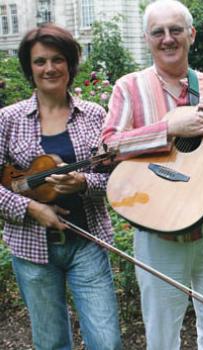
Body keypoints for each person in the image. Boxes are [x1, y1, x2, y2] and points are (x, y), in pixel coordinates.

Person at [100, 1, 203, 349]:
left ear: (191, 35)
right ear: (147, 39)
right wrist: (166, 128)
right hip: (157, 232)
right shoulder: (129, 87)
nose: (167, 39)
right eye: (158, 32)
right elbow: (106, 149)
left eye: (175, 30)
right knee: (162, 334)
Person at [0, 24, 122, 350]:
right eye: (40, 61)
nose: (49, 68)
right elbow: (8, 183)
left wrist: (83, 182)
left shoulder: (95, 115)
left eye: (58, 59)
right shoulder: (7, 119)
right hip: (32, 250)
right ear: (29, 68)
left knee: (106, 342)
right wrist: (31, 207)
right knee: (51, 343)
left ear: (70, 64)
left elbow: (114, 178)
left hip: (88, 242)